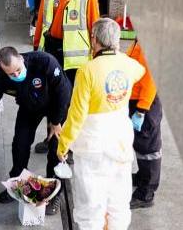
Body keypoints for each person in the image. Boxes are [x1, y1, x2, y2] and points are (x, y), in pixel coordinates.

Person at [57, 18, 145, 230]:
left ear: (93, 39)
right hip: (120, 141)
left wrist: (63, 145)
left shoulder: (87, 70)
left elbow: (77, 115)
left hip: (92, 144)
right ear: (116, 41)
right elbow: (141, 71)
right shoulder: (129, 64)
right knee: (118, 201)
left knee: (91, 202)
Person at [0, 47, 72, 216]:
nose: (16, 75)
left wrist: (55, 122)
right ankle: (17, 182)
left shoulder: (45, 62)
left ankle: (54, 190)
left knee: (56, 148)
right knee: (20, 143)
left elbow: (64, 92)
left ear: (21, 59)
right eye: (11, 74)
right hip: (29, 105)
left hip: (56, 103)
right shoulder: (1, 76)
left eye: (18, 70)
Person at [33, 0, 100, 154]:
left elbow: (94, 26)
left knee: (69, 101)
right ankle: (51, 138)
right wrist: (37, 47)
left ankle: (67, 146)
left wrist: (96, 57)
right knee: (50, 96)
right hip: (51, 48)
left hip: (75, 57)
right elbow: (41, 19)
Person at [125, 39, 163, 210]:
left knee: (148, 149)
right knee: (140, 144)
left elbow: (151, 80)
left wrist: (141, 110)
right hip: (136, 100)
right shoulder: (140, 40)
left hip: (144, 103)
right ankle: (142, 177)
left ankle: (146, 193)